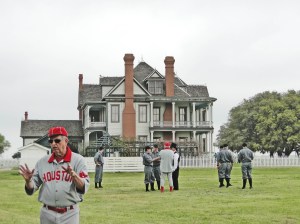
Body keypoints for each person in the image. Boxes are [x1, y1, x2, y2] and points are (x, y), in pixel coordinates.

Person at [19, 126, 90, 224]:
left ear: (66, 141)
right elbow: (31, 189)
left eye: (57, 140)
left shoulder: (78, 160)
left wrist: (74, 176)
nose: (53, 144)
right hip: (47, 213)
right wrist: (28, 181)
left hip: (70, 213)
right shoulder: (42, 162)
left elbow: (83, 187)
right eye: (51, 141)